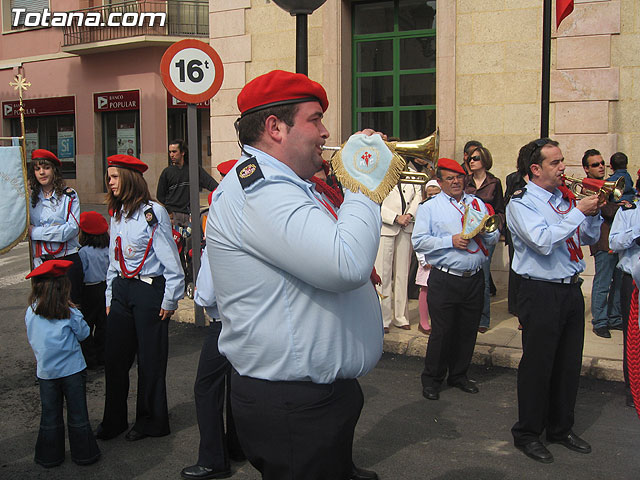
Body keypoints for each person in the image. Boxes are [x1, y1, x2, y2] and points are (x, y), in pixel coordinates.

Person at [206, 70, 383, 480]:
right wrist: (364, 179)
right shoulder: (262, 189)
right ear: (275, 128)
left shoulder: (290, 184)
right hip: (294, 403)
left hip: (311, 397)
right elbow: (346, 263)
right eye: (315, 119)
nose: (325, 132)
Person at [507, 138, 602, 464]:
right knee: (538, 365)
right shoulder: (522, 203)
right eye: (555, 163)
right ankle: (528, 433)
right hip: (541, 291)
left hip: (570, 289)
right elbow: (542, 241)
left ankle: (561, 428)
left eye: (562, 161)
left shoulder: (563, 198)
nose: (563, 168)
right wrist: (578, 211)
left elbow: (585, 238)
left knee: (567, 364)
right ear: (535, 169)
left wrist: (593, 214)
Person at [96, 154, 184, 442]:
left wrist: (170, 299)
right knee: (115, 359)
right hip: (122, 290)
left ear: (130, 178)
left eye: (114, 176)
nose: (109, 182)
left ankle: (151, 421)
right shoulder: (117, 213)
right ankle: (114, 420)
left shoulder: (152, 213)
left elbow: (171, 261)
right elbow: (113, 260)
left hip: (148, 291)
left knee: (150, 360)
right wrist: (110, 295)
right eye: (108, 177)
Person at [412, 158, 499, 401]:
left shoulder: (477, 203)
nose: (456, 182)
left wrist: (487, 233)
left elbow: (493, 237)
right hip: (445, 278)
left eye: (459, 177)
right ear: (439, 182)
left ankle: (459, 374)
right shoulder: (430, 207)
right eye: (449, 178)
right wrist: (449, 241)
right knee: (442, 331)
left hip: (474, 278)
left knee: (468, 330)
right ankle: (432, 378)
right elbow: (418, 241)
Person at [24, 259, 100, 468]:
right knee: (78, 414)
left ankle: (49, 456)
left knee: (49, 415)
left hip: (46, 371)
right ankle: (84, 454)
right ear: (63, 289)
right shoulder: (70, 312)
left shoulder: (31, 311)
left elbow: (32, 337)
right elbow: (84, 334)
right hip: (73, 370)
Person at [181, 243, 244, 480]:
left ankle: (213, 460)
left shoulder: (216, 245)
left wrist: (197, 294)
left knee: (206, 388)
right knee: (236, 386)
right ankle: (238, 446)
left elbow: (206, 294)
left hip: (223, 324)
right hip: (247, 321)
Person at [28, 149, 83, 304]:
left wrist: (35, 232)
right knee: (45, 310)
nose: (42, 173)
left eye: (46, 168)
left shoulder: (68, 196)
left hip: (66, 261)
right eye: (37, 169)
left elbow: (71, 230)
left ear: (54, 170)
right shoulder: (30, 198)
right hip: (42, 262)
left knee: (71, 309)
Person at [374, 162, 422, 333]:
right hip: (387, 227)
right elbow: (374, 201)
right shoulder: (378, 171)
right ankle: (384, 317)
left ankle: (401, 317)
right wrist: (394, 217)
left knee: (403, 273)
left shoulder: (411, 173)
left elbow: (418, 195)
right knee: (384, 274)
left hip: (406, 226)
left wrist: (410, 215)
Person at [581, 149, 623, 338]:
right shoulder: (588, 187)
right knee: (603, 282)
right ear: (586, 169)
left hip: (616, 239)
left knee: (618, 282)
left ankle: (614, 318)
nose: (600, 167)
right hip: (602, 241)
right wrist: (621, 206)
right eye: (595, 164)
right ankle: (599, 321)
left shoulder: (606, 184)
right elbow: (607, 211)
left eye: (602, 163)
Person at [464, 145, 505, 333]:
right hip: (469, 233)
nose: (471, 161)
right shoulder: (465, 181)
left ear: (485, 161)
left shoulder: (494, 182)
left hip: (487, 235)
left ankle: (483, 318)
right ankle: (468, 315)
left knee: (485, 277)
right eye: (470, 158)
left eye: (476, 158)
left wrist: (497, 230)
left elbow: (500, 209)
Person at [609, 191, 640, 408]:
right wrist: (635, 234)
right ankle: (633, 387)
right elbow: (614, 242)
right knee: (633, 335)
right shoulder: (628, 211)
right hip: (634, 280)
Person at [157, 139, 219, 228]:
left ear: (182, 152)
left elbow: (212, 185)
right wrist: (169, 211)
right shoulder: (167, 172)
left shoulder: (194, 169)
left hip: (191, 215)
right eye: (170, 152)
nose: (171, 155)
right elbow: (160, 195)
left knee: (192, 241)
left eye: (174, 152)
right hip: (173, 215)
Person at [77, 211, 110, 368]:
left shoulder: (83, 252)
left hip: (89, 290)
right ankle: (103, 355)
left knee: (87, 324)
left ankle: (89, 358)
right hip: (105, 287)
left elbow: (82, 273)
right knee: (103, 324)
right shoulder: (107, 249)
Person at [504, 146, 530, 327]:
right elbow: (506, 202)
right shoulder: (513, 178)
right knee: (517, 267)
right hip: (516, 231)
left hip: (533, 230)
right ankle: (516, 305)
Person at [414, 179, 441, 335]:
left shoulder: (443, 208)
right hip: (427, 258)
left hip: (440, 256)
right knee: (425, 289)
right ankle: (423, 321)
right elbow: (419, 236)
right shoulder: (422, 208)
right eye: (429, 194)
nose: (432, 197)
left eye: (435, 194)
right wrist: (423, 259)